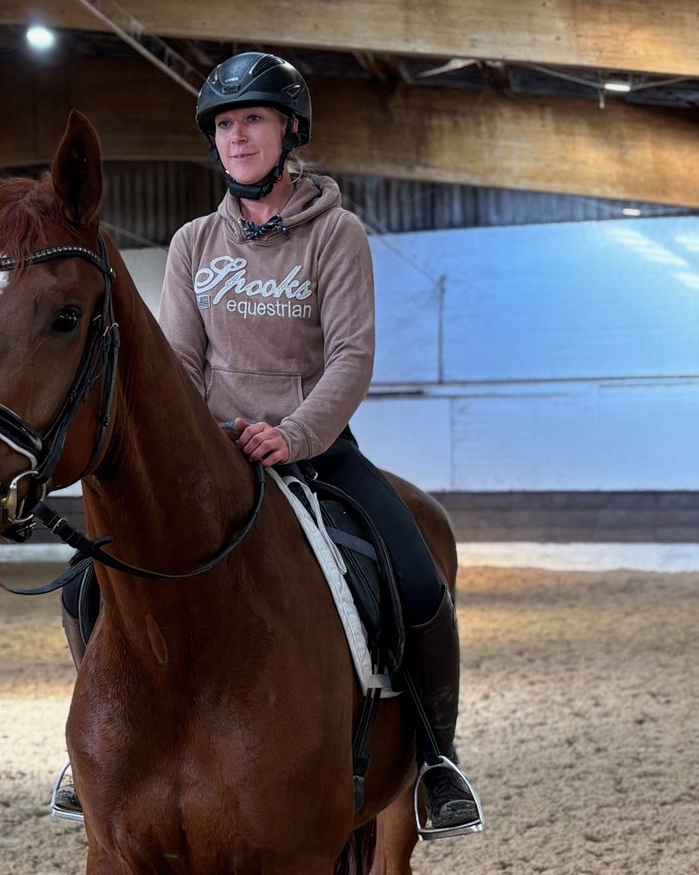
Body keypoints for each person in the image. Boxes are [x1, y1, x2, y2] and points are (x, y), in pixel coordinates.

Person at [55, 51, 482, 839]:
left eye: (252, 118)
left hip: (316, 452)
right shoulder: (192, 243)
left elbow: (352, 355)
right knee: (86, 580)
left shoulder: (337, 235)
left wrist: (294, 434)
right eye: (223, 123)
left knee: (419, 586)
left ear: (288, 129)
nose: (237, 136)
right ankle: (101, 753)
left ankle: (435, 760)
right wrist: (200, 439)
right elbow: (180, 362)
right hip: (211, 459)